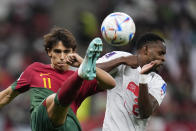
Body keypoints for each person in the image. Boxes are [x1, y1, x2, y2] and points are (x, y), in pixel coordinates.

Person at [0, 27, 116, 131]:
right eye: (57, 51)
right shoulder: (35, 69)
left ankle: (80, 71)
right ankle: (78, 75)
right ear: (49, 51)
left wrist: (82, 62)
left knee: (58, 98)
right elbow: (7, 95)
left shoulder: (87, 76)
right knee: (52, 99)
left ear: (73, 53)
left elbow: (111, 83)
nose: (62, 57)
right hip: (42, 122)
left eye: (66, 52)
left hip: (70, 125)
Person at [96, 33, 167, 131]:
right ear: (146, 50)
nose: (163, 59)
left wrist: (143, 77)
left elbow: (145, 113)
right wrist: (121, 60)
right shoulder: (121, 57)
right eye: (161, 53)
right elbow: (90, 70)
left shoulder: (158, 82)